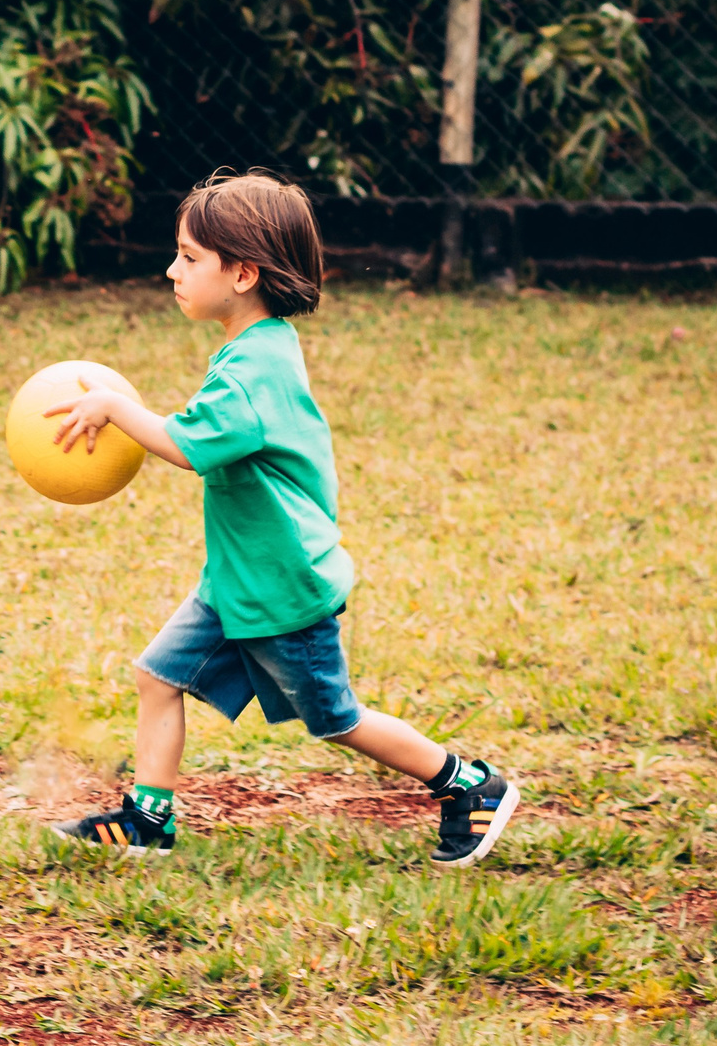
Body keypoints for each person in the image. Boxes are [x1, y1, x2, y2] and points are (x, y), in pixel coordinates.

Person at [39, 170, 518, 866]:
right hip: (238, 579)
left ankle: (469, 783)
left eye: (189, 257)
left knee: (338, 720)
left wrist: (114, 407)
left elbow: (187, 446)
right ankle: (148, 819)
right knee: (158, 676)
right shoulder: (260, 346)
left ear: (243, 274)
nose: (171, 270)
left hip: (283, 589)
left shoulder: (251, 373)